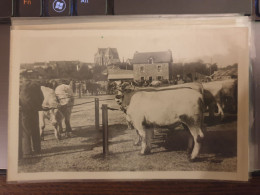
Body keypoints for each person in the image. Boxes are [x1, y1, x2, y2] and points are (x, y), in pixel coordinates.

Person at [19, 80, 44, 159]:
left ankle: (27, 151)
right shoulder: (36, 85)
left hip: (24, 110)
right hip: (34, 109)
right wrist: (38, 105)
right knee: (35, 129)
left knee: (26, 130)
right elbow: (41, 97)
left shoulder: (20, 85)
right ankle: (37, 149)